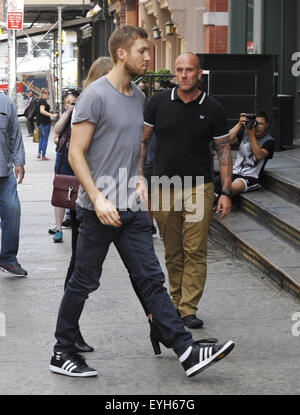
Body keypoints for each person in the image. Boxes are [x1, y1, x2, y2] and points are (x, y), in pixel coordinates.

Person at [49, 26, 234, 378]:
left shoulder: (137, 97)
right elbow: (75, 153)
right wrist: (98, 198)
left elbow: (135, 148)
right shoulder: (94, 96)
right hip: (98, 210)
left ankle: (186, 351)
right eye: (142, 51)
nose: (149, 58)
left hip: (131, 208)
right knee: (83, 282)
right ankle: (62, 351)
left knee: (151, 279)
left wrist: (139, 178)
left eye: (149, 51)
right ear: (121, 53)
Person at [140, 52, 233, 329]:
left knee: (195, 249)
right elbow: (142, 143)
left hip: (198, 186)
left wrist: (226, 191)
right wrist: (141, 178)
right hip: (164, 186)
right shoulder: (157, 102)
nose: (183, 75)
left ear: (199, 74)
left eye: (189, 70)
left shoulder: (213, 108)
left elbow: (223, 150)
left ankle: (188, 308)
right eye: (179, 70)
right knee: (172, 249)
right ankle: (175, 301)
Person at [0, 93, 27, 277]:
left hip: (4, 171)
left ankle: (8, 259)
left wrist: (19, 162)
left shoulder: (5, 103)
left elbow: (14, 135)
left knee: (12, 210)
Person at [222, 111, 274, 196]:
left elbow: (258, 155)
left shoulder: (269, 141)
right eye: (256, 123)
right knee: (209, 183)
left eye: (261, 124)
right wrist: (239, 124)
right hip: (235, 172)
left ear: (266, 125)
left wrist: (251, 135)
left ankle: (217, 203)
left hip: (251, 177)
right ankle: (205, 204)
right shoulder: (244, 133)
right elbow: (226, 141)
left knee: (231, 187)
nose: (258, 127)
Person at [51, 92, 79, 243]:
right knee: (61, 193)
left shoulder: (84, 115)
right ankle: (58, 228)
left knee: (80, 193)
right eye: (68, 102)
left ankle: (77, 223)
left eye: (74, 102)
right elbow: (57, 130)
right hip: (63, 158)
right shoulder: (65, 116)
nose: (72, 104)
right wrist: (68, 113)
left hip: (81, 159)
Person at [36, 88, 58, 160]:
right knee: (45, 139)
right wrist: (52, 115)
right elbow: (42, 111)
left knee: (41, 138)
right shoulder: (43, 101)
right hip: (45, 122)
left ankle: (39, 153)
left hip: (40, 122)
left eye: (48, 93)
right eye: (45, 93)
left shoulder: (40, 101)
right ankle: (43, 156)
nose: (47, 94)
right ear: (42, 94)